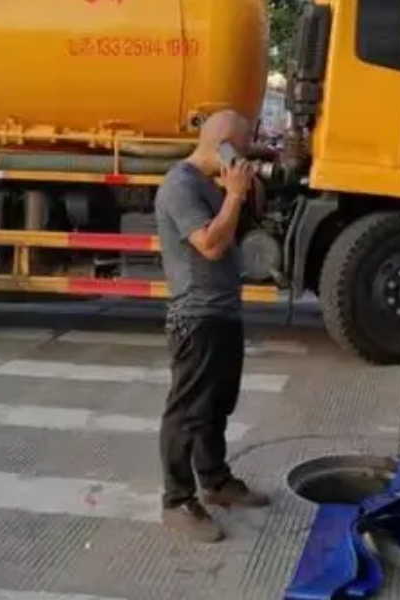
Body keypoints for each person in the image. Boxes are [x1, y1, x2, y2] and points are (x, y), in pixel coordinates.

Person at [155, 109, 269, 543]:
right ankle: (177, 500)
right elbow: (209, 245)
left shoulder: (210, 183)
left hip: (223, 312)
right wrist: (235, 196)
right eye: (238, 148)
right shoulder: (180, 185)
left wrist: (245, 189)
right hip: (195, 316)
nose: (239, 157)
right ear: (221, 143)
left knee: (216, 405)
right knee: (187, 413)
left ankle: (216, 480)